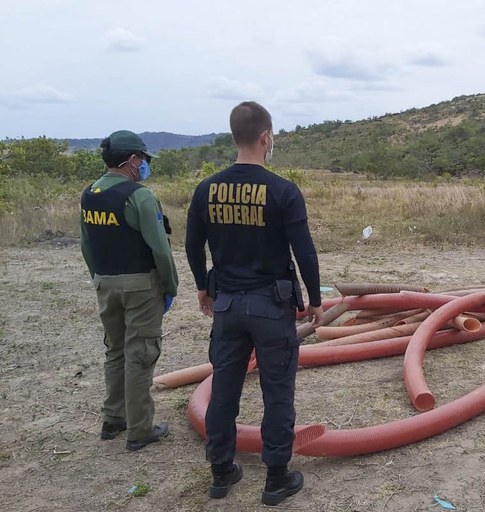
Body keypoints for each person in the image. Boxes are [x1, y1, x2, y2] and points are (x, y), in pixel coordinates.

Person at [185, 101, 323, 504]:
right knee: (277, 391)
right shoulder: (283, 191)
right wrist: (315, 300)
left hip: (227, 307)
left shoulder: (206, 189)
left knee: (224, 390)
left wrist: (201, 286)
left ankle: (221, 472)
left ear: (234, 137)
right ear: (265, 137)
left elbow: (193, 245)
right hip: (270, 307)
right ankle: (276, 478)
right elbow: (305, 252)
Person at [79, 130, 178, 452]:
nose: (146, 166)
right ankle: (140, 429)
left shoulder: (89, 194)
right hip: (139, 286)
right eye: (145, 160)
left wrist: (100, 278)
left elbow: (86, 245)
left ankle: (113, 418)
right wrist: (169, 285)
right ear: (133, 160)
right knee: (141, 354)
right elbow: (160, 249)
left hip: (105, 283)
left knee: (115, 350)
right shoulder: (139, 196)